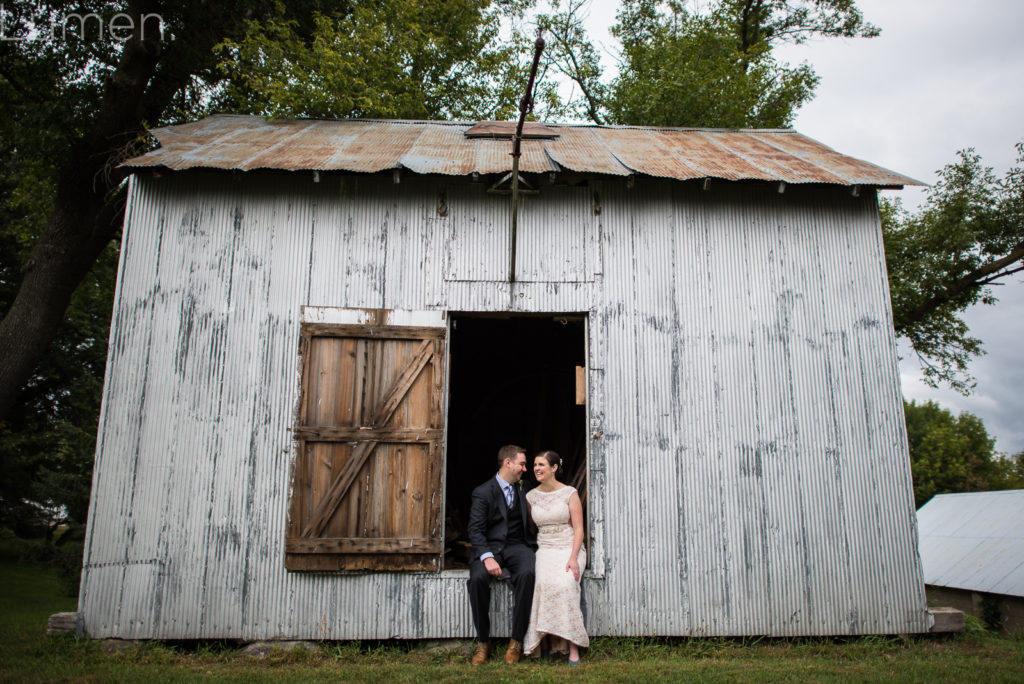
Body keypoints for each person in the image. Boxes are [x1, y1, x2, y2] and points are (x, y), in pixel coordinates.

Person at [466, 444, 537, 665]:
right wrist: (486, 556)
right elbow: (475, 530)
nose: (525, 469)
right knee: (477, 579)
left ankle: (516, 640)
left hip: (517, 545)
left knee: (528, 573)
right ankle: (483, 641)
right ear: (508, 463)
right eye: (522, 464)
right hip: (490, 547)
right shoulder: (483, 491)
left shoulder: (525, 488)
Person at [523, 450, 588, 664]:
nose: (536, 468)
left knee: (567, 585)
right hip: (546, 549)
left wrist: (573, 557)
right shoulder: (531, 496)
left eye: (541, 464)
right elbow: (532, 529)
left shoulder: (570, 493)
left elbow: (579, 529)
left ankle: (573, 647)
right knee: (542, 584)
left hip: (569, 547)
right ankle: (546, 642)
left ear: (554, 468)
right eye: (534, 465)